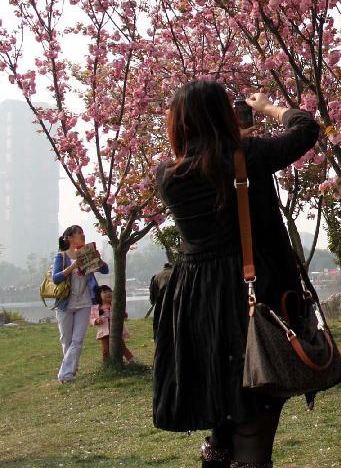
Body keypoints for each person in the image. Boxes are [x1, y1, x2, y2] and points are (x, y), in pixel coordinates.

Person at [153, 80, 319, 468]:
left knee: (222, 411)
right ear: (224, 115)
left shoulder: (169, 175)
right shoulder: (247, 155)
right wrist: (268, 108)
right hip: (249, 294)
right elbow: (307, 128)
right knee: (255, 417)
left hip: (196, 301)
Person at [51, 224, 109, 383]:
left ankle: (65, 375)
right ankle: (71, 369)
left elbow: (105, 270)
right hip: (65, 304)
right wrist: (73, 266)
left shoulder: (87, 255)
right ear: (70, 238)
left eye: (83, 233)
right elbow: (56, 279)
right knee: (67, 341)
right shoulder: (61, 257)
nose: (82, 236)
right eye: (79, 234)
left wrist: (98, 259)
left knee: (77, 340)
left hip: (84, 302)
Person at [91, 284, 133, 363]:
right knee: (105, 348)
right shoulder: (96, 308)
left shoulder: (115, 305)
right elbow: (91, 318)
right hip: (104, 332)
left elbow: (124, 315)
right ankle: (107, 364)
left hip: (116, 330)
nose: (108, 293)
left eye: (109, 291)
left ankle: (130, 359)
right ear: (99, 296)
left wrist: (123, 313)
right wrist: (96, 321)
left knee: (121, 346)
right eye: (104, 292)